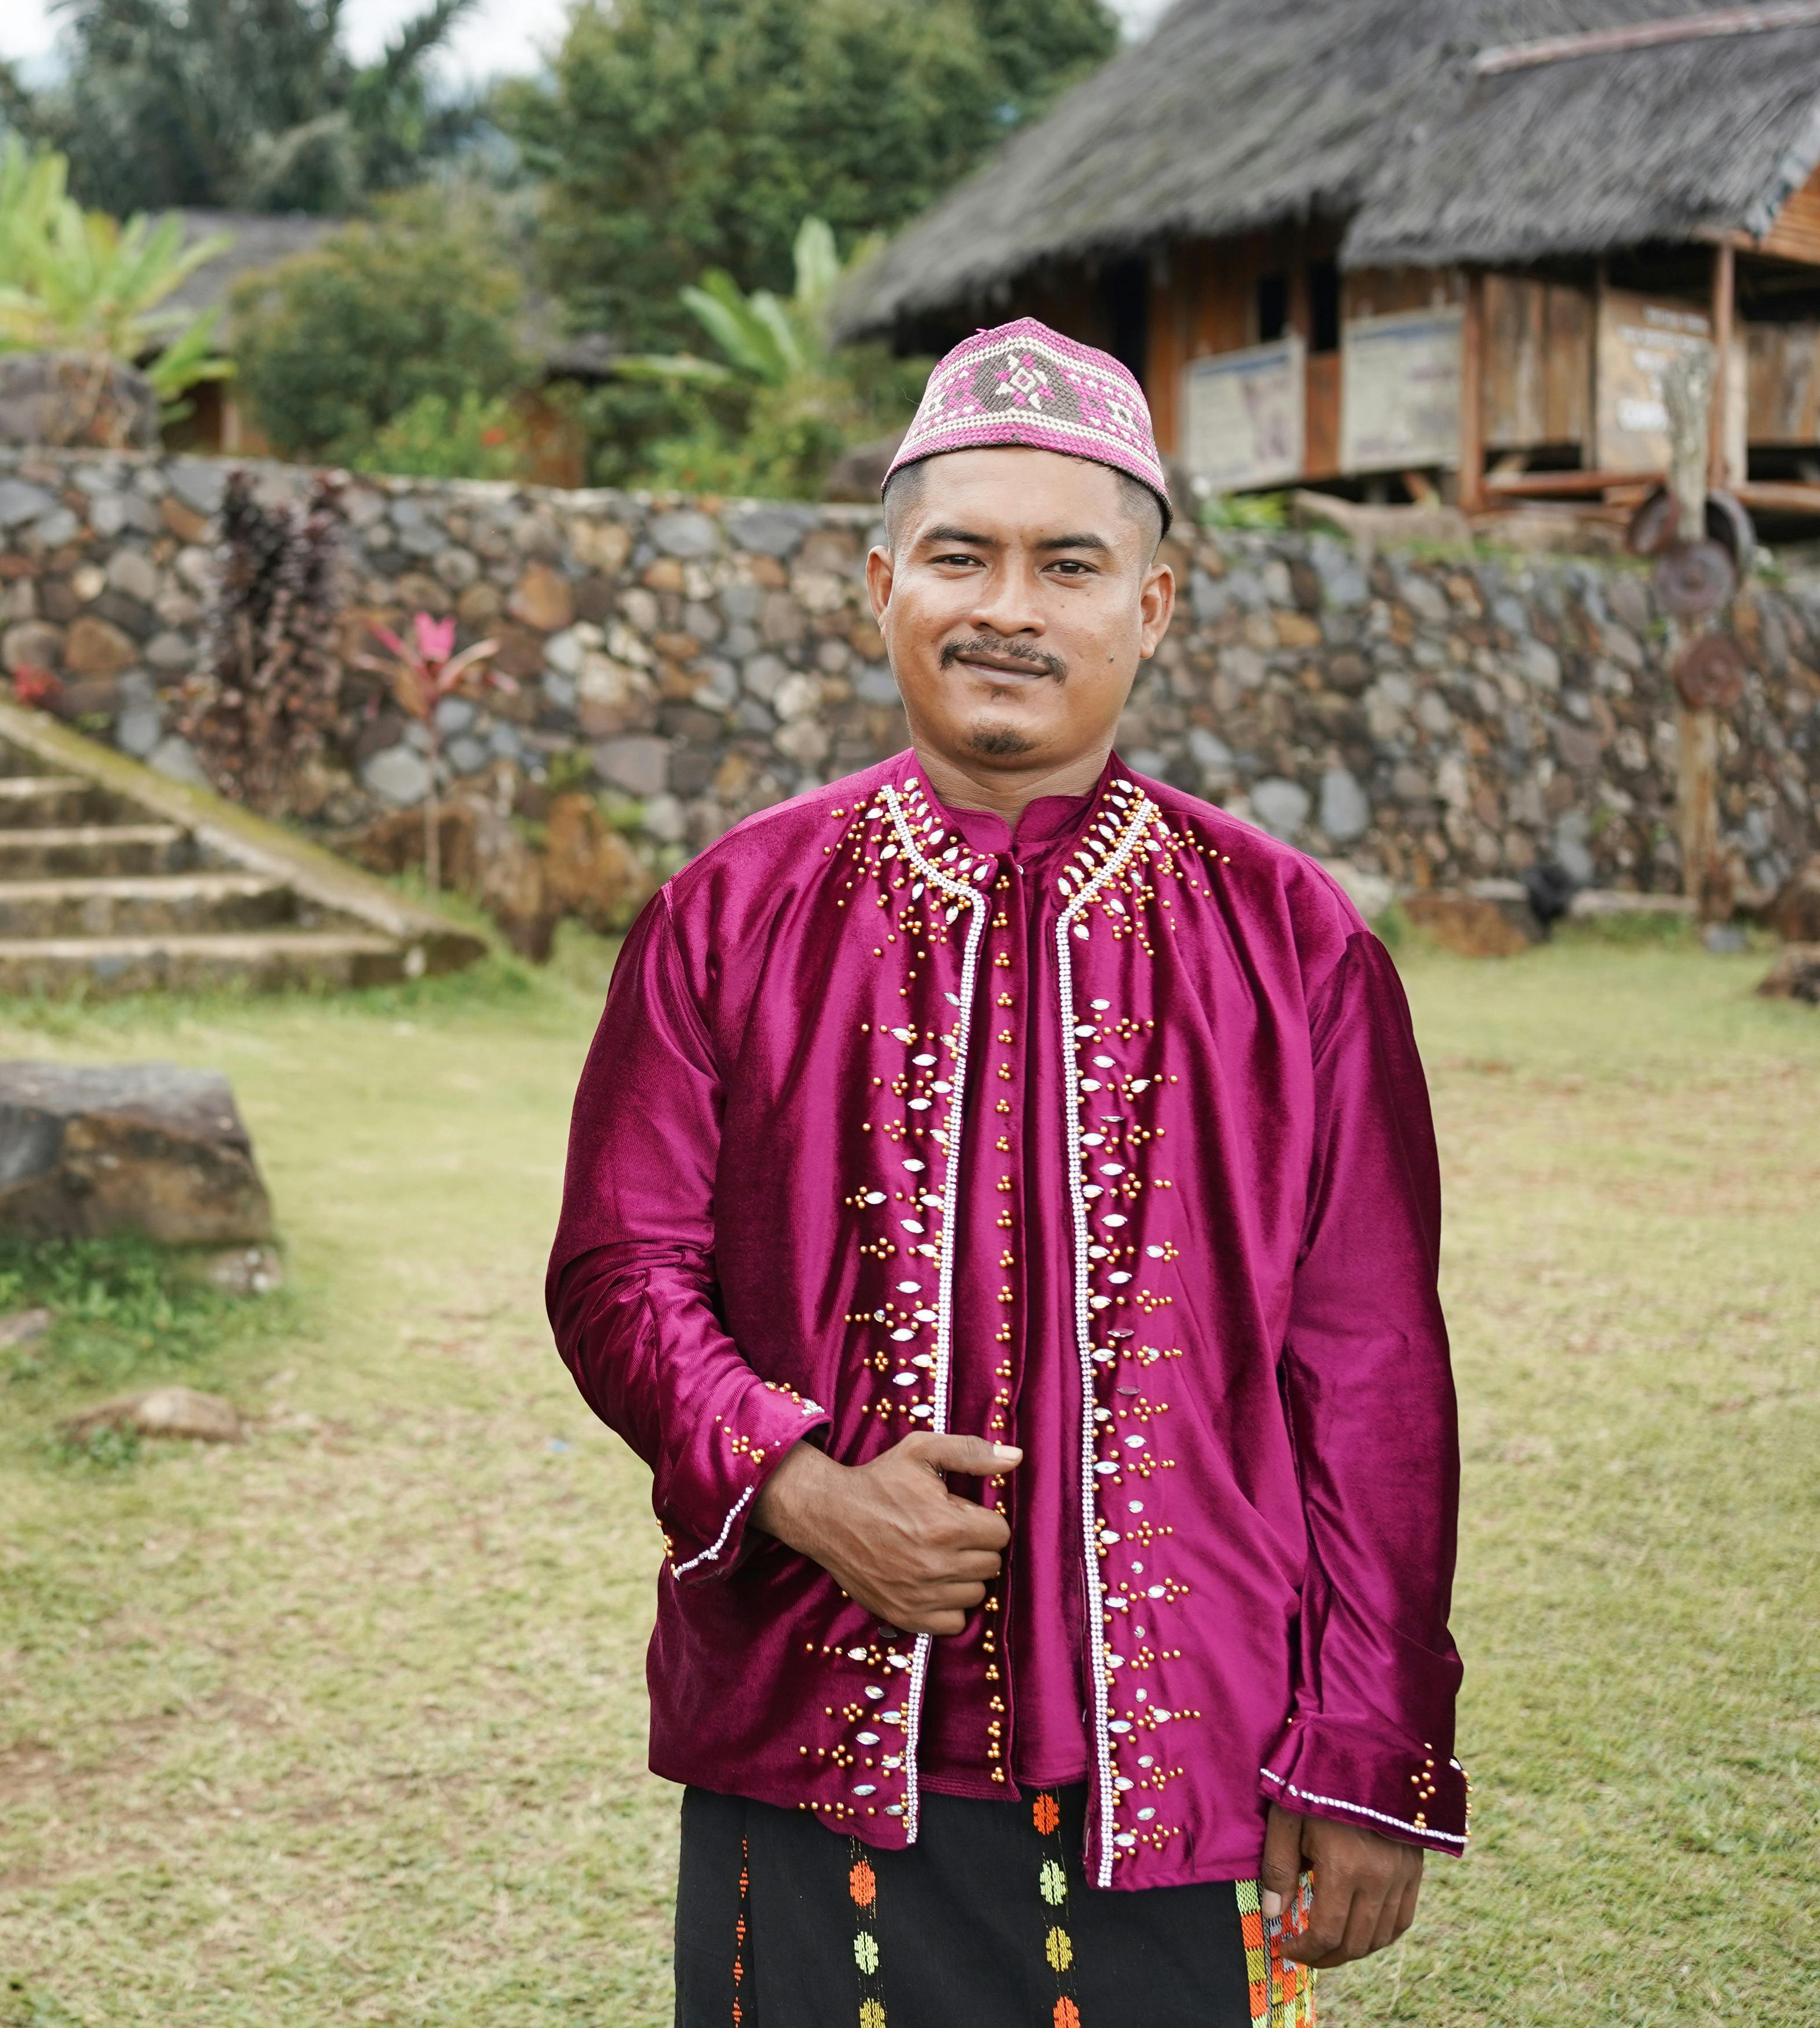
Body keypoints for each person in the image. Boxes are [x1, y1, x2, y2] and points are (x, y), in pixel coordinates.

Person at [547, 320, 1463, 2026]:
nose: (1010, 609)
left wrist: (1368, 1741)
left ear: (1152, 607)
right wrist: (804, 1487)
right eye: (961, 557)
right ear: (881, 585)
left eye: (1070, 565)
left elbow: (1374, 1372)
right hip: (810, 1728)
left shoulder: (1298, 944)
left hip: (1187, 1753)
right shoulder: (728, 913)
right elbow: (619, 1270)